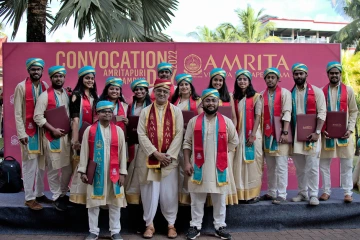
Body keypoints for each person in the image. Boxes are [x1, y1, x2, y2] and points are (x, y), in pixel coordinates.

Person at [183, 88, 239, 240]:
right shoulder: (194, 121)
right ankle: (195, 226)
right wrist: (187, 162)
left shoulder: (226, 122)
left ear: (218, 102)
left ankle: (220, 226)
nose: (211, 103)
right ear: (202, 103)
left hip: (218, 167)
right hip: (197, 166)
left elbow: (235, 141)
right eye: (207, 100)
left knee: (220, 198)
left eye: (213, 100)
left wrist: (221, 153)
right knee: (197, 199)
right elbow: (187, 143)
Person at [137, 79, 184, 239]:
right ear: (154, 93)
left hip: (168, 161)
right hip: (152, 159)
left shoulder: (176, 111)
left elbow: (179, 134)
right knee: (150, 191)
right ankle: (149, 224)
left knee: (169, 192)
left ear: (169, 93)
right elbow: (141, 134)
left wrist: (168, 156)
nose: (162, 94)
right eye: (159, 91)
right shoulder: (145, 111)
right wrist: (155, 153)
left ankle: (171, 224)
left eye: (165, 91)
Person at [78, 100, 127, 240]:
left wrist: (123, 172)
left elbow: (123, 153)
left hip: (114, 172)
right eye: (104, 111)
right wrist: (83, 171)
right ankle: (93, 231)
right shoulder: (90, 130)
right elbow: (84, 152)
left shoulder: (118, 131)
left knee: (115, 202)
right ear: (97, 113)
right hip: (96, 172)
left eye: (110, 111)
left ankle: (115, 230)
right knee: (93, 203)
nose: (107, 113)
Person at [14, 58, 53, 210]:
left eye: (38, 69)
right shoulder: (21, 87)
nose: (36, 72)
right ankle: (29, 198)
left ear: (42, 71)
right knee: (29, 165)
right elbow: (17, 113)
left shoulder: (45, 86)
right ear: (28, 71)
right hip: (28, 132)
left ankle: (39, 193)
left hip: (42, 132)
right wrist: (21, 133)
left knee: (42, 165)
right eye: (33, 69)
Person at [33, 65, 73, 211]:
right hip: (52, 138)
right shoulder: (45, 96)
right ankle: (56, 197)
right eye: (55, 76)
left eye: (61, 76)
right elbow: (37, 117)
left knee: (68, 167)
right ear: (50, 78)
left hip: (67, 137)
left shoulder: (67, 94)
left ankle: (62, 192)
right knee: (53, 169)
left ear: (64, 78)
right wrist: (53, 130)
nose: (58, 78)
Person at [319, 61, 358, 203]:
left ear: (340, 74)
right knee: (324, 164)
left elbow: (354, 111)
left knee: (347, 164)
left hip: (344, 134)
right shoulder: (321, 92)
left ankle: (348, 192)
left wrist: (350, 128)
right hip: (327, 134)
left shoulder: (349, 91)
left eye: (337, 73)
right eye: (332, 73)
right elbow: (319, 113)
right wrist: (322, 130)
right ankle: (326, 191)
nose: (334, 75)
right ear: (327, 74)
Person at [290, 63, 326, 206]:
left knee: (312, 166)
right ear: (293, 75)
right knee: (300, 168)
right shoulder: (289, 93)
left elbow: (322, 113)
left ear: (306, 75)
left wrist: (317, 132)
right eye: (296, 74)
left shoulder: (316, 91)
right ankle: (302, 192)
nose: (299, 76)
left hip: (312, 135)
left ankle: (313, 195)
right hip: (296, 135)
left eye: (301, 73)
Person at [259, 68, 292, 204]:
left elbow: (287, 112)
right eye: (268, 77)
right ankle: (272, 192)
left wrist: (284, 132)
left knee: (282, 165)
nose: (270, 79)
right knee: (271, 166)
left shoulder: (285, 93)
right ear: (265, 79)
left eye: (273, 77)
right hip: (267, 136)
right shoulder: (261, 95)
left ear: (278, 79)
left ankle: (282, 194)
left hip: (280, 135)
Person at [232, 69, 263, 204]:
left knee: (253, 165)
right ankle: (241, 193)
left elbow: (258, 117)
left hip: (253, 135)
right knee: (238, 164)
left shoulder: (256, 97)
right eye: (240, 79)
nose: (242, 81)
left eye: (245, 79)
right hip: (239, 135)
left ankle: (253, 194)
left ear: (249, 81)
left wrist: (252, 134)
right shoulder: (234, 98)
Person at [171, 73, 202, 205]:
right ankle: (176, 197)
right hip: (175, 139)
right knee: (176, 167)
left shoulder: (198, 101)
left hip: (191, 139)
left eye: (186, 84)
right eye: (181, 85)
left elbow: (201, 120)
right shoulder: (173, 103)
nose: (184, 87)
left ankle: (188, 196)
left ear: (191, 87)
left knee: (188, 165)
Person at [69, 66, 98, 204]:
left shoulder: (95, 97)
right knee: (80, 164)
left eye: (92, 78)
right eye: (87, 78)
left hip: (92, 136)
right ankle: (76, 195)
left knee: (89, 164)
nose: (90, 81)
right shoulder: (76, 95)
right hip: (79, 135)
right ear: (81, 79)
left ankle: (88, 193)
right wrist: (75, 140)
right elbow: (75, 119)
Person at [125, 78, 152, 204]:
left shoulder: (152, 106)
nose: (139, 91)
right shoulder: (130, 106)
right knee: (132, 168)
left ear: (146, 91)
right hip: (133, 142)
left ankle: (145, 197)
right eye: (136, 89)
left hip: (147, 143)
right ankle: (132, 197)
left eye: (142, 89)